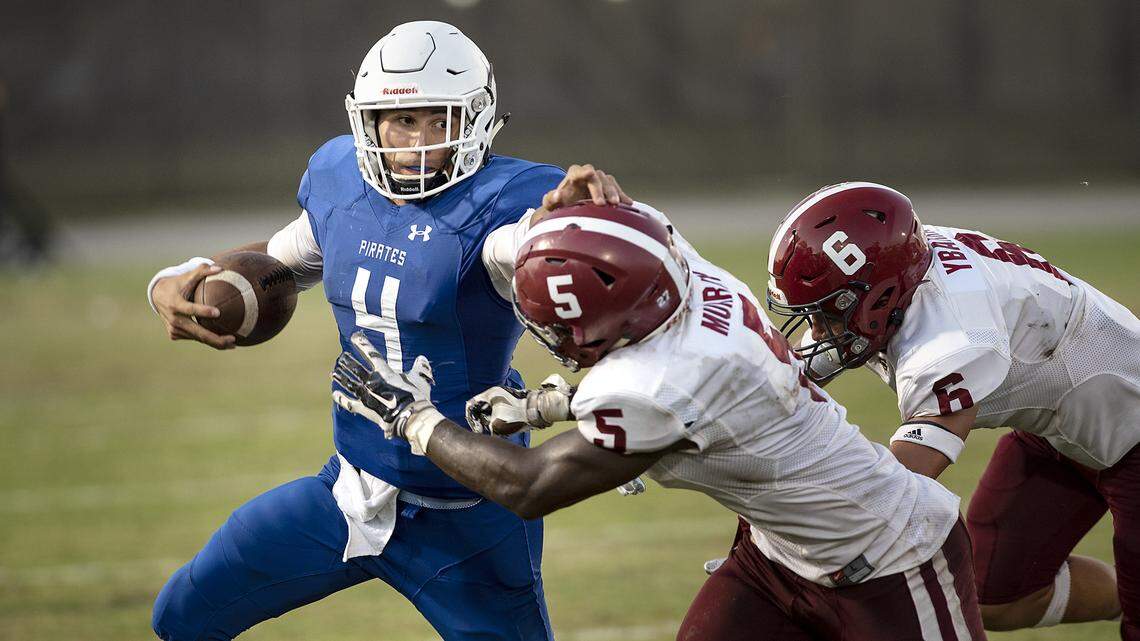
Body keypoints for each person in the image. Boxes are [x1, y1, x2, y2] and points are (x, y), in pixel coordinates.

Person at [145, 21, 626, 640]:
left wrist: (563, 229)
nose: (419, 142)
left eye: (438, 120)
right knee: (180, 616)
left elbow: (529, 245)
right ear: (368, 122)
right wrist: (176, 277)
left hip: (471, 519)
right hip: (347, 491)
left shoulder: (504, 205)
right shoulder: (342, 182)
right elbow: (284, 260)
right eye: (402, 122)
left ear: (476, 119)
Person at [329, 194, 988, 641]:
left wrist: (413, 418)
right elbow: (626, 251)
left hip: (893, 557)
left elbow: (527, 485)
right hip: (778, 555)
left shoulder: (665, 383)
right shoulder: (680, 267)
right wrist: (541, 405)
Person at [765, 182, 1140, 638]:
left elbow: (897, 488)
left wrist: (788, 548)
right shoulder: (903, 263)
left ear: (882, 294)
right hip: (1066, 427)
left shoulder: (953, 336)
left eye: (831, 311)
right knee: (997, 596)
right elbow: (798, 367)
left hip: (1130, 434)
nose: (819, 329)